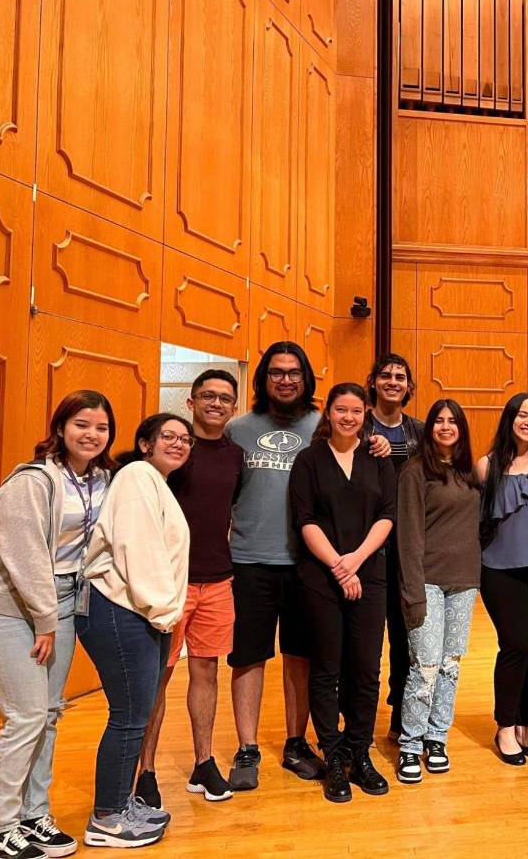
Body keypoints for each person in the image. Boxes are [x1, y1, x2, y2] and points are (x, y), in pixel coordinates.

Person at [0, 390, 116, 859]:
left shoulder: (101, 480)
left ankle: (34, 816)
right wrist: (45, 619)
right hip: (9, 609)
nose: (91, 434)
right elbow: (24, 553)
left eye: (101, 427)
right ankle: (0, 830)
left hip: (63, 602)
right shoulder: (32, 481)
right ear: (60, 428)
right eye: (81, 424)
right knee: (25, 716)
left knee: (49, 714)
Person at [77, 414, 192, 849]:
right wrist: (164, 611)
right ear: (145, 443)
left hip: (141, 611)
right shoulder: (138, 477)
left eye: (185, 440)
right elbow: (137, 549)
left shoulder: (155, 482)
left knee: (135, 713)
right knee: (128, 717)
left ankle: (120, 803)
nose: (179, 444)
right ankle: (107, 816)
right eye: (169, 436)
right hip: (122, 610)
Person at [137, 371, 244, 806]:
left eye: (225, 398)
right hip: (169, 583)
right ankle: (144, 771)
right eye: (208, 396)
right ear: (192, 401)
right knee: (156, 679)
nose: (216, 404)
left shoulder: (237, 455)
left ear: (233, 407)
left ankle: (203, 763)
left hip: (218, 579)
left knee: (207, 672)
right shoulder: (173, 451)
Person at [289, 383, 396, 803]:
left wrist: (355, 562)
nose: (348, 417)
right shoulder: (309, 459)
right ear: (328, 413)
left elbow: (387, 515)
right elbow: (305, 519)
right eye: (340, 410)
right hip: (320, 577)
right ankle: (333, 755)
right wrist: (338, 564)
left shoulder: (378, 458)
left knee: (367, 667)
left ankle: (359, 752)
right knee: (327, 668)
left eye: (355, 410)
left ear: (364, 414)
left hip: (369, 575)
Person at [225, 342, 322, 789]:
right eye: (277, 373)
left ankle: (296, 742)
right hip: (249, 560)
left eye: (294, 372)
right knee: (249, 657)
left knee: (300, 655)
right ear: (264, 379)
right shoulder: (238, 429)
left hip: (306, 563)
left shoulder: (323, 427)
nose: (286, 380)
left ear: (306, 378)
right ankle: (247, 748)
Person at [395, 399, 482, 783]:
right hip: (425, 582)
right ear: (429, 428)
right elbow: (408, 537)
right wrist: (411, 591)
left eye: (453, 421)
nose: (446, 426)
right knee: (426, 666)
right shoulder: (415, 471)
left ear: (461, 428)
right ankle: (410, 744)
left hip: (464, 582)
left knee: (450, 666)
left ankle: (437, 738)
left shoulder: (469, 473)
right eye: (439, 421)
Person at [475, 393, 528, 766]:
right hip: (498, 569)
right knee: (515, 643)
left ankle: (526, 721)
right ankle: (505, 725)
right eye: (523, 415)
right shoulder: (486, 466)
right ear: (510, 419)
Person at [362, 353, 424, 739]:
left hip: (407, 548)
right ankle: (358, 725)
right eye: (386, 375)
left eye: (400, 376)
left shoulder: (419, 430)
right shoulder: (357, 424)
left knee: (407, 639)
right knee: (366, 642)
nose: (393, 381)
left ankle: (402, 715)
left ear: (409, 386)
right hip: (366, 548)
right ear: (373, 382)